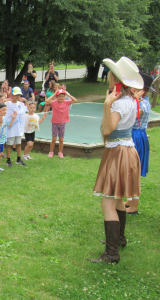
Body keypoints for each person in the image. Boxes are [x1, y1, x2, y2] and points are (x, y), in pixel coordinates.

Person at [90, 57, 143, 264]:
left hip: (118, 152)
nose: (109, 77)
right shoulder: (131, 100)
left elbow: (107, 129)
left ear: (116, 78)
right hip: (127, 150)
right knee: (119, 197)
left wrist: (106, 105)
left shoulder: (119, 103)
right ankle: (119, 239)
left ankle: (112, 253)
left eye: (111, 74)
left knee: (107, 203)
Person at [124, 72, 153, 214]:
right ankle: (130, 200)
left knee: (134, 171)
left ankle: (134, 206)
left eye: (135, 87)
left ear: (143, 90)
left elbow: (131, 116)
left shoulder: (143, 104)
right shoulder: (138, 101)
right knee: (129, 171)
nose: (132, 89)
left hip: (137, 136)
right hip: (134, 135)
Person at [45, 89, 78, 158]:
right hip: (55, 123)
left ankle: (60, 152)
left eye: (63, 96)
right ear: (57, 97)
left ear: (64, 97)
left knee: (61, 139)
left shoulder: (66, 102)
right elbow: (48, 101)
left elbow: (75, 100)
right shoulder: (54, 102)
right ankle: (51, 152)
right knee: (53, 139)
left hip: (62, 123)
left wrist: (67, 94)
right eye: (59, 96)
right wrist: (54, 94)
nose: (61, 98)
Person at [4, 87, 29, 167]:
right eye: (15, 95)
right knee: (9, 144)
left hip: (18, 128)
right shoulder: (8, 104)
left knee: (18, 143)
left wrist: (26, 102)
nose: (17, 96)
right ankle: (8, 160)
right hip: (10, 128)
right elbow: (0, 102)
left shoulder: (21, 104)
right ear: (11, 95)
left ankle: (18, 159)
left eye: (18, 95)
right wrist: (7, 99)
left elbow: (28, 110)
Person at [0, 103, 16, 173]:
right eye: (3, 110)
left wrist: (13, 118)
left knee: (1, 154)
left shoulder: (5, 118)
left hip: (2, 140)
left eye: (6, 110)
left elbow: (10, 125)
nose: (5, 111)